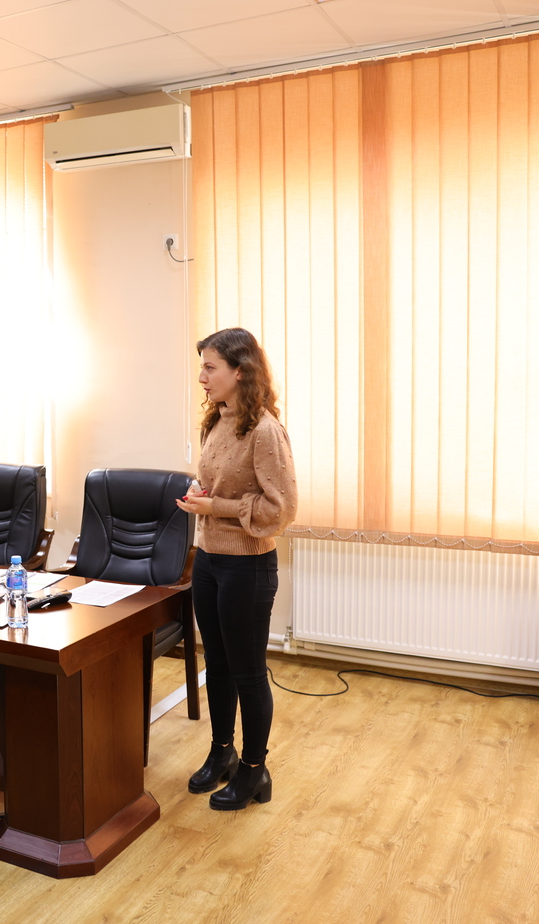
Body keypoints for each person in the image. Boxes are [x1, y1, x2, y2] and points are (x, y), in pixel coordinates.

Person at [175, 328, 297, 811]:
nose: (201, 377)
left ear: (240, 371)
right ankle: (221, 752)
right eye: (202, 366)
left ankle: (253, 770)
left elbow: (280, 510)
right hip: (208, 559)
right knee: (218, 664)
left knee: (248, 672)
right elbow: (221, 486)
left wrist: (216, 507)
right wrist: (202, 496)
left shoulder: (265, 431)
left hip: (247, 565)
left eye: (210, 367)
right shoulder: (216, 420)